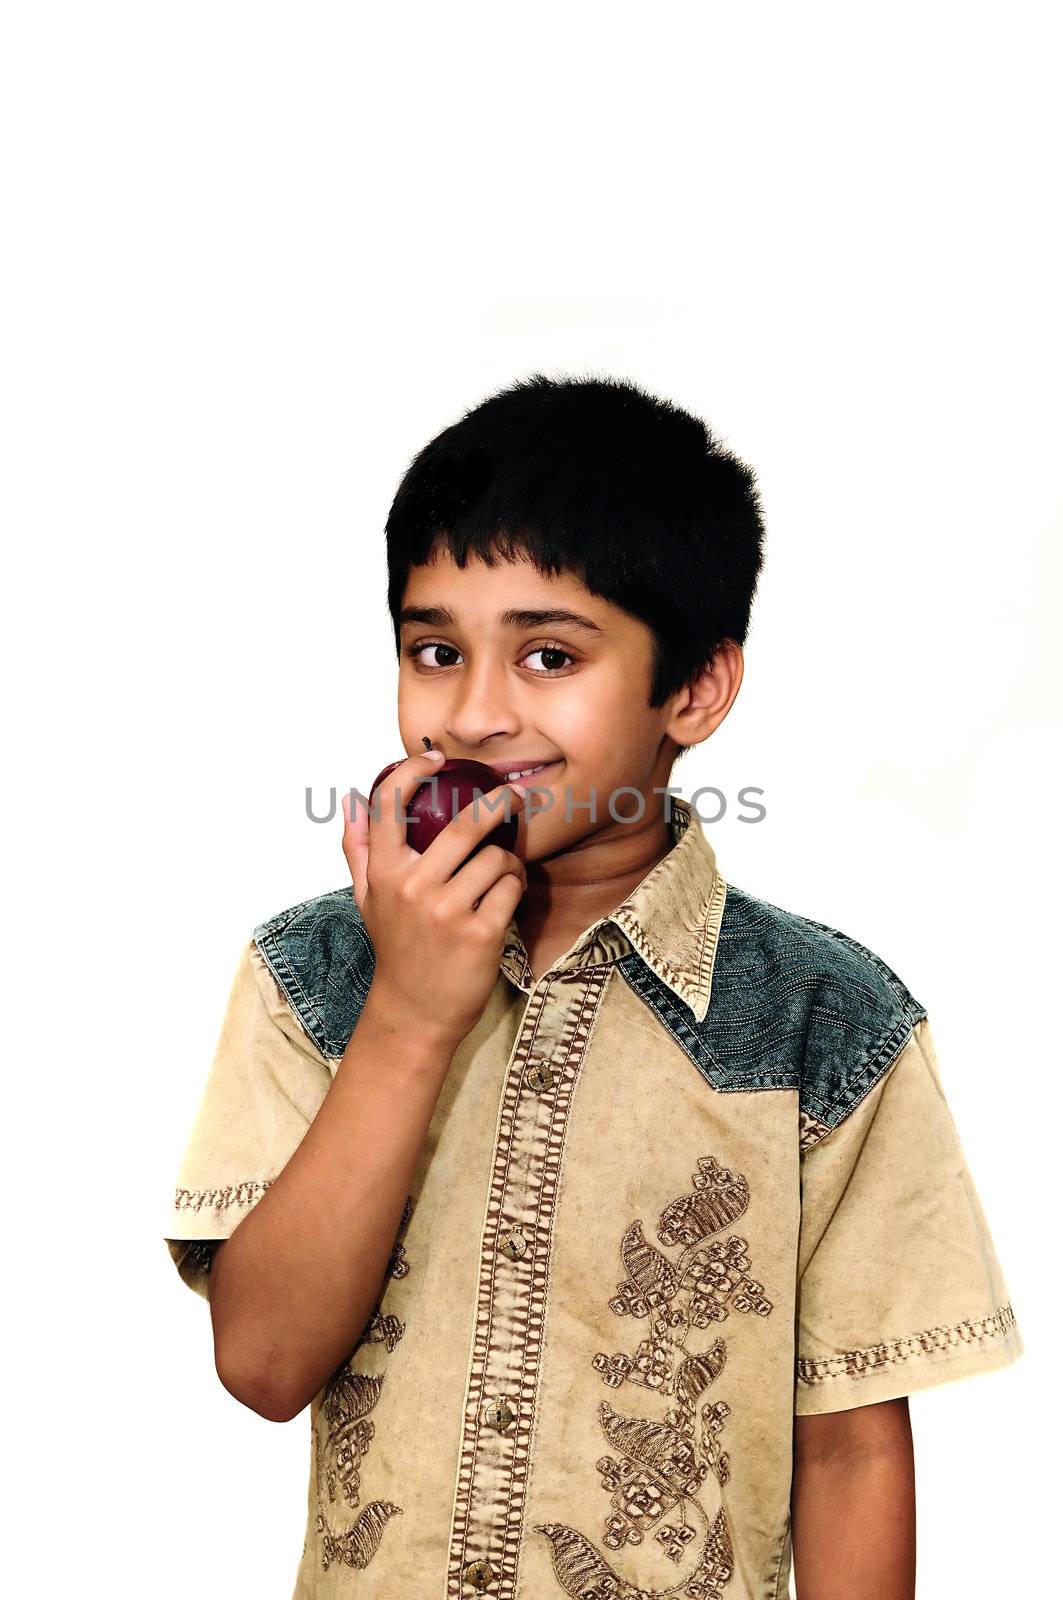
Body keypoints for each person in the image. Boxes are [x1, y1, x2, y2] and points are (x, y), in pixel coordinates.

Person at [162, 373, 1022, 1599]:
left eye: (548, 655)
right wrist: (406, 1014)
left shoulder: (826, 1022)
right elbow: (261, 1361)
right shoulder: (315, 974)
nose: (470, 713)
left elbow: (844, 1451)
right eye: (434, 649)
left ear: (696, 690)